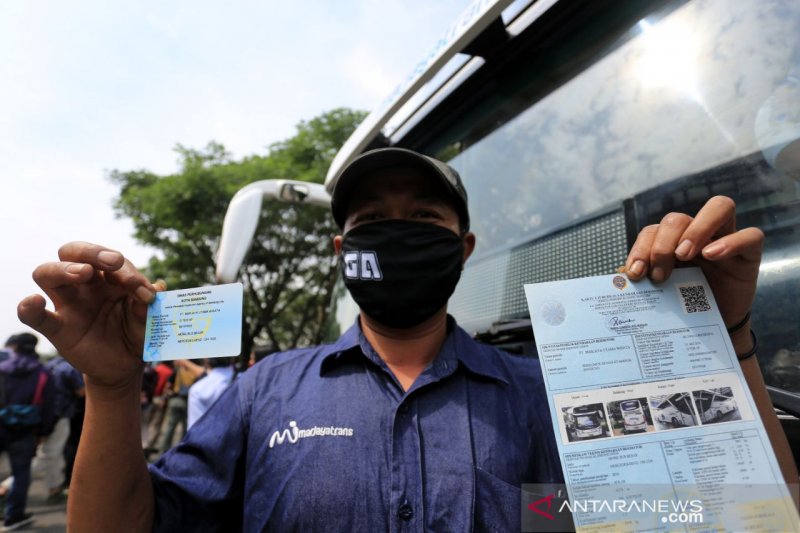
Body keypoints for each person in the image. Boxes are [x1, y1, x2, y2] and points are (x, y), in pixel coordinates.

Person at [16, 148, 798, 530]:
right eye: (371, 225)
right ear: (339, 254)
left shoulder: (539, 395)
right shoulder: (263, 393)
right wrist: (114, 388)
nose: (397, 236)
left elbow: (730, 513)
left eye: (423, 222)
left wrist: (718, 342)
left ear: (463, 248)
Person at [0, 333, 55, 531]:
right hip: (25, 430)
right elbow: (48, 407)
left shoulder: (2, 369)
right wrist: (43, 432)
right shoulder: (43, 373)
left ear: (15, 347)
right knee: (21, 473)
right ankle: (13, 517)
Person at [186, 358, 236, 429]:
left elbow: (195, 431)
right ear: (232, 360)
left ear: (206, 360)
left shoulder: (198, 390)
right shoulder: (247, 381)